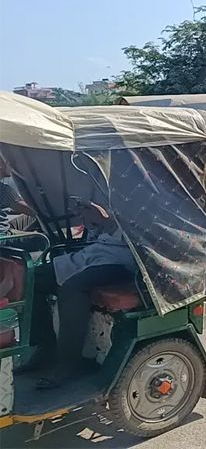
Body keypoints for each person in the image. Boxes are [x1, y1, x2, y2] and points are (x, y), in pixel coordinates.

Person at [39, 200, 136, 388]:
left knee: (73, 287)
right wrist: (97, 219)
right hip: (97, 252)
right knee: (36, 277)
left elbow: (138, 233)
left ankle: (69, 362)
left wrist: (106, 219)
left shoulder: (143, 195)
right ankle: (43, 347)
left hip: (124, 259)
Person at [0, 159, 36, 233]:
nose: (12, 166)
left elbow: (11, 207)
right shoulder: (4, 190)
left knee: (29, 218)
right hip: (4, 237)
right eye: (8, 162)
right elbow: (33, 211)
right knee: (46, 239)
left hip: (5, 228)